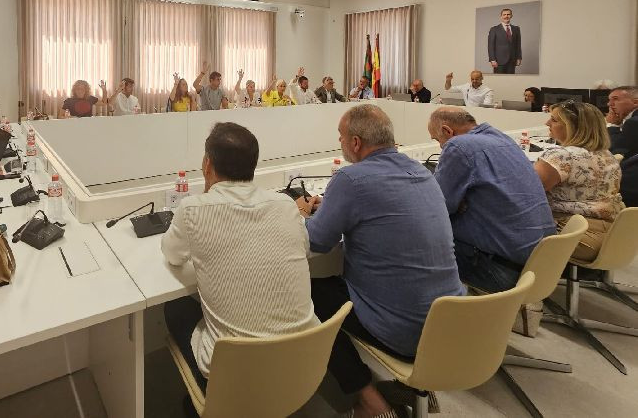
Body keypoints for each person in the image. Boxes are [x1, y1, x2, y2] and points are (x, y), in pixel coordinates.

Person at [296, 105, 465, 418]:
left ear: (355, 142)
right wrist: (333, 206)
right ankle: (419, 387)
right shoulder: (422, 173)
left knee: (307, 292)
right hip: (449, 325)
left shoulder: (350, 179)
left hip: (405, 331)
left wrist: (304, 211)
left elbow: (317, 240)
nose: (340, 142)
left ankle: (368, 400)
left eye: (341, 137)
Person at [161, 122, 317, 389]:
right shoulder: (285, 204)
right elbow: (303, 248)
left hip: (235, 372)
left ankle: (212, 397)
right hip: (302, 360)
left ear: (207, 165)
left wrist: (206, 197)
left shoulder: (192, 209)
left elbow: (172, 255)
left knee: (175, 308)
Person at [428, 107, 555, 292]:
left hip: (502, 270)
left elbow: (439, 206)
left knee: (419, 238)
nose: (440, 146)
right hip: (540, 261)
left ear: (447, 131)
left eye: (437, 139)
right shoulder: (502, 138)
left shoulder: (458, 145)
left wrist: (453, 199)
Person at [534, 101, 624, 261]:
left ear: (572, 126)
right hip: (612, 232)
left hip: (576, 234)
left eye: (554, 120)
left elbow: (526, 192)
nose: (547, 123)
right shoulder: (606, 155)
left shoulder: (561, 156)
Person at [607, 85, 638, 207]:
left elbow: (614, 151)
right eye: (609, 100)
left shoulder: (633, 122)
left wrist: (613, 125)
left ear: (635, 102)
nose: (610, 104)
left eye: (616, 99)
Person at [488, 8, 522, 74]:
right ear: (501, 16)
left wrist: (519, 58)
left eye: (508, 14)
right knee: (499, 79)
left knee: (511, 79)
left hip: (512, 60)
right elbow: (490, 46)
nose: (506, 16)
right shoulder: (494, 29)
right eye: (504, 14)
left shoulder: (516, 29)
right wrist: (492, 59)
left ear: (511, 16)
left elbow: (518, 45)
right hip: (499, 61)